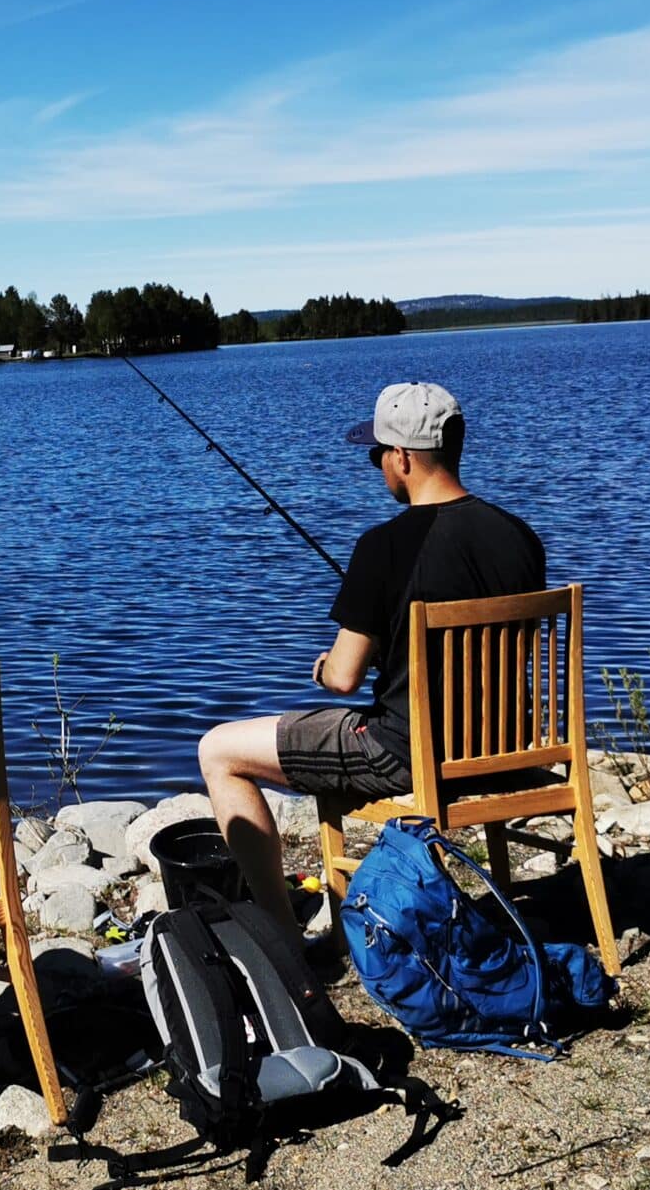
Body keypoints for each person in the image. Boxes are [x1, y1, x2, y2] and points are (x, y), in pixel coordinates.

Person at [197, 381, 545, 938]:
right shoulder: (519, 536)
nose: (377, 465)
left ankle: (282, 935)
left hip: (406, 752)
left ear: (403, 457)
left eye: (377, 453)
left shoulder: (382, 547)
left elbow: (343, 678)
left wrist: (323, 666)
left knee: (218, 750)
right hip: (503, 744)